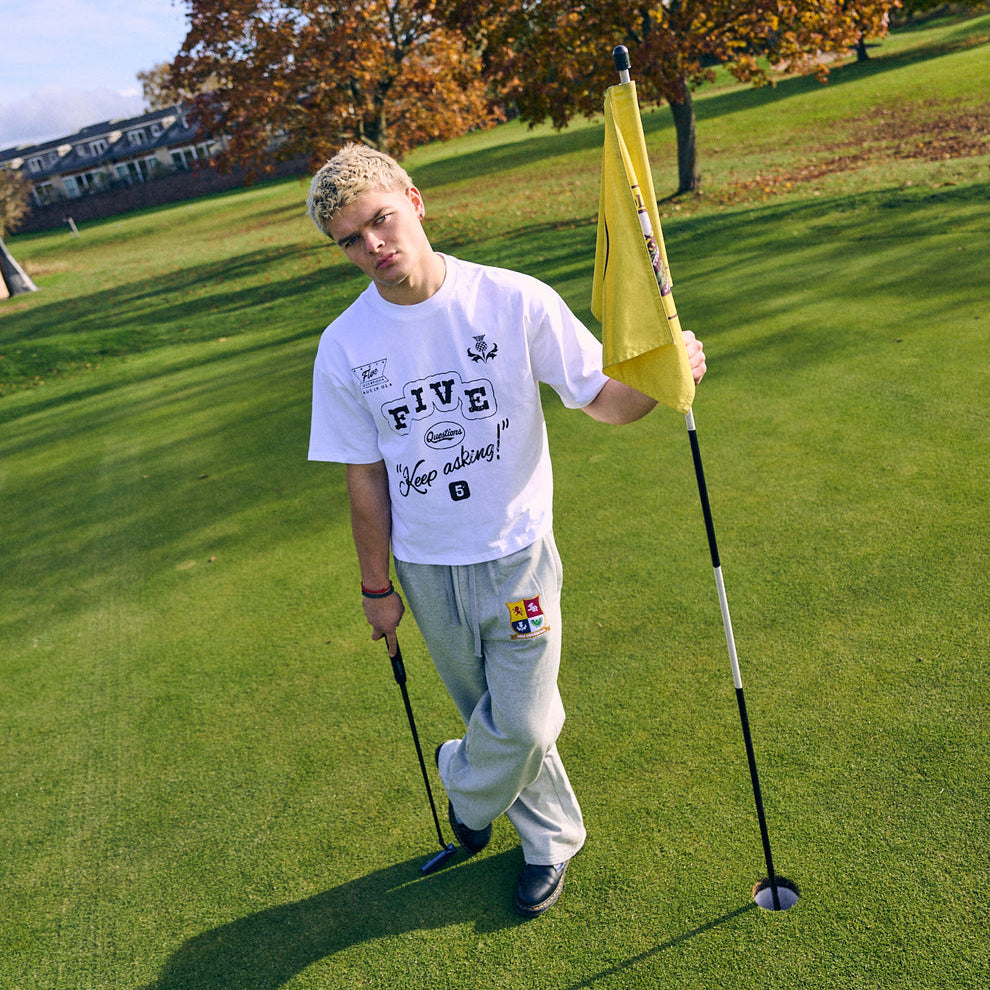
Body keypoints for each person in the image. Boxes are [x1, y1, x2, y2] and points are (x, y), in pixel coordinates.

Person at [306, 144, 706, 918]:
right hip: (426, 571)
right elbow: (363, 477)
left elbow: (605, 401)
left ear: (415, 202)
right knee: (498, 715)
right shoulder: (344, 346)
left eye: (381, 220)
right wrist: (375, 586)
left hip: (516, 556)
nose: (373, 247)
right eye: (351, 240)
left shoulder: (513, 299)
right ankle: (551, 841)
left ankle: (465, 786)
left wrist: (666, 377)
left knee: (519, 723)